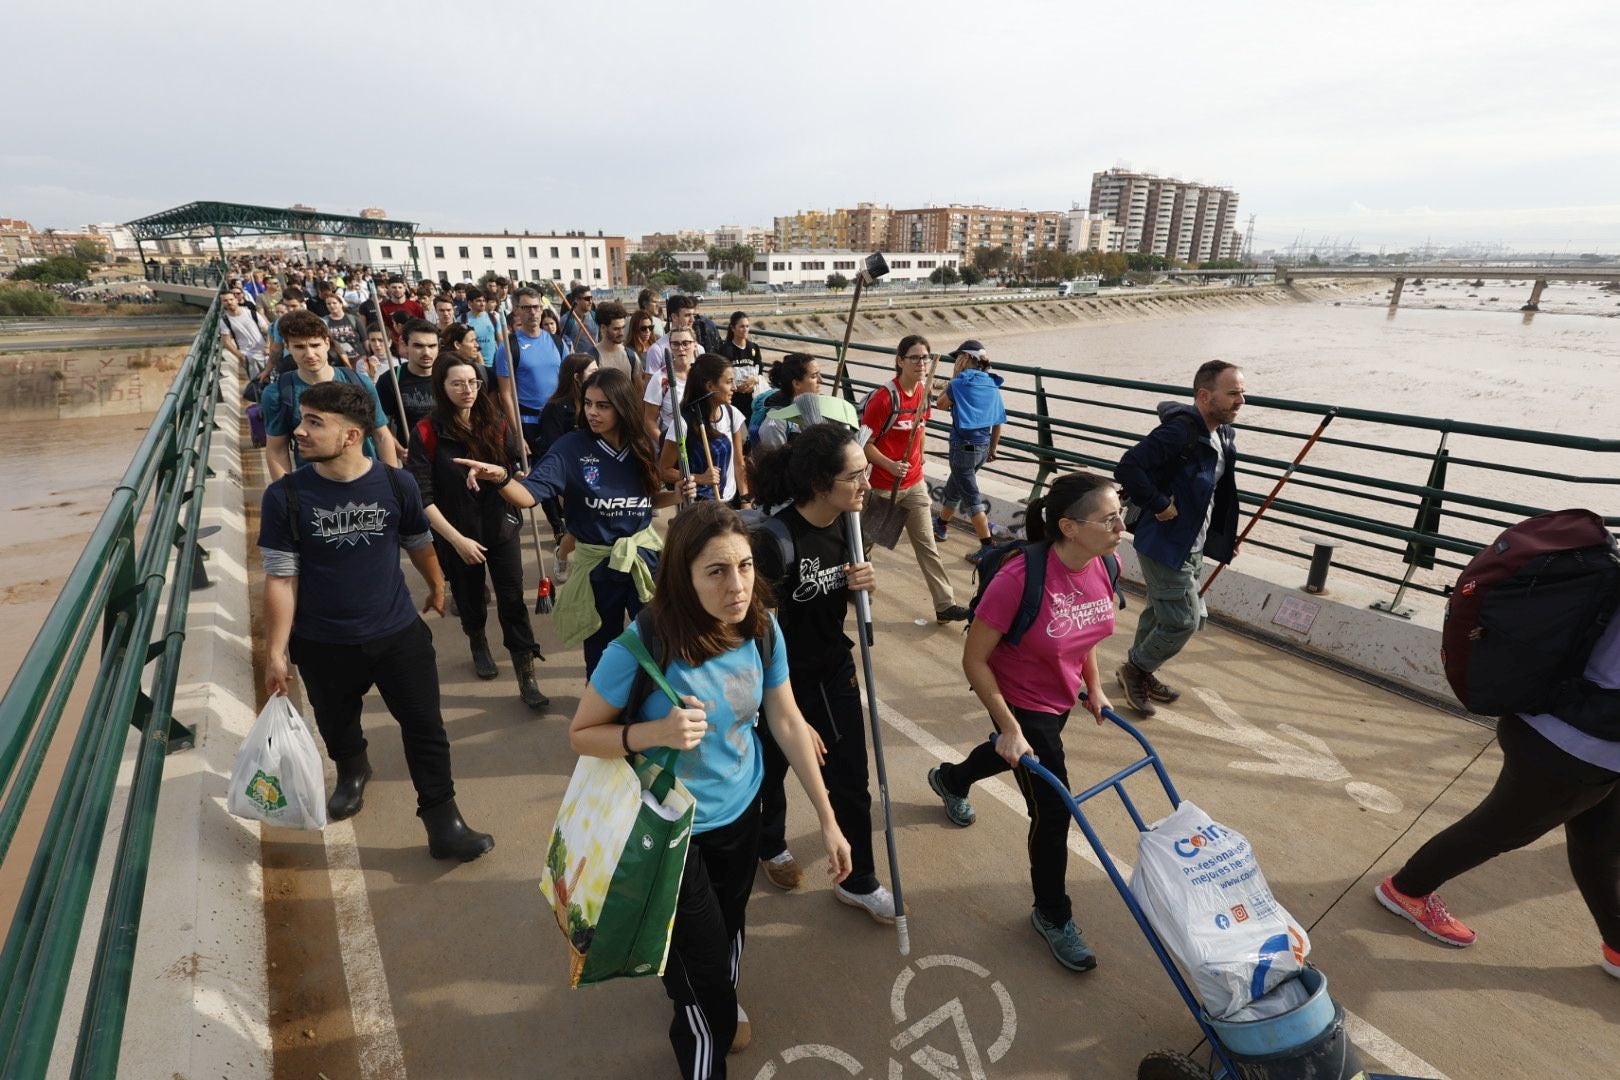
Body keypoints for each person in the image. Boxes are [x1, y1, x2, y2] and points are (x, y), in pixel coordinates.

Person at [568, 500, 851, 1075]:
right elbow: (582, 734)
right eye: (716, 572)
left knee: (727, 926)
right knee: (704, 996)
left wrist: (827, 817)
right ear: (684, 575)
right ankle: (708, 1026)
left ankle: (714, 987)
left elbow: (788, 719)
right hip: (674, 833)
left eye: (745, 567)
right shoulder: (642, 645)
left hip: (743, 812)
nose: (737, 586)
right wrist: (655, 732)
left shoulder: (762, 627)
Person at [258, 380, 493, 861]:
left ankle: (442, 818)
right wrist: (276, 651)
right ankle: (352, 769)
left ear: (350, 436)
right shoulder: (285, 497)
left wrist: (437, 584)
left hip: (397, 635)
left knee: (425, 727)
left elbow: (417, 541)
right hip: (322, 642)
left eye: (313, 423)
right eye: (302, 419)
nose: (299, 432)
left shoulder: (395, 482)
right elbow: (281, 579)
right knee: (336, 720)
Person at [926, 471, 1122, 971]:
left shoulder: (1105, 564)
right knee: (1053, 809)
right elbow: (974, 660)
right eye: (1110, 518)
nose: (1122, 526)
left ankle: (950, 778)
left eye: (1122, 514)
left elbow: (1085, 633)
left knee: (1018, 758)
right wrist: (1010, 724)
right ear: (1070, 527)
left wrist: (1093, 687)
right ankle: (1052, 915)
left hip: (1058, 699)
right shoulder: (1019, 579)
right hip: (1022, 702)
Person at [1375, 609, 1620, 976]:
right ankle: (1407, 889)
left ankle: (1617, 946)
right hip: (1573, 747)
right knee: (1495, 830)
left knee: (1601, 846)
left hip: (1560, 721)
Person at [748, 423, 900, 922]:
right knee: (771, 772)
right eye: (856, 475)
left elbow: (845, 598)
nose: (867, 483)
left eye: (867, 472)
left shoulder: (853, 522)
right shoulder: (775, 542)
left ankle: (858, 880)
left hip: (832, 669)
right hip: (776, 681)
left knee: (852, 777)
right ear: (819, 484)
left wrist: (865, 585)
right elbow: (752, 628)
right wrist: (786, 706)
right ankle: (769, 844)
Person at [455, 369, 696, 676]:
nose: (593, 412)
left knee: (658, 640)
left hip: (644, 560)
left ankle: (650, 703)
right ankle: (599, 712)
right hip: (597, 568)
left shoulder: (641, 445)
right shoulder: (571, 448)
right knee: (601, 648)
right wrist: (501, 477)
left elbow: (646, 500)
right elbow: (527, 496)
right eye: (589, 403)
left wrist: (675, 496)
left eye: (603, 405)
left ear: (623, 406)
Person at [408, 353, 547, 708]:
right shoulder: (426, 431)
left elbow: (513, 465)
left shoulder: (496, 421)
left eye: (472, 382)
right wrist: (456, 540)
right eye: (457, 383)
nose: (467, 390)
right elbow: (421, 496)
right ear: (442, 386)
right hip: (456, 531)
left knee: (513, 600)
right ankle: (477, 641)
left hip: (502, 524)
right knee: (470, 599)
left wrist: (498, 472)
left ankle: (525, 670)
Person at [1112, 360, 1244, 716]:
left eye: (1242, 392)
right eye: (1232, 393)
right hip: (1165, 542)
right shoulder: (1179, 432)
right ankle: (1135, 669)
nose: (1240, 401)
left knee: (1158, 611)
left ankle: (1140, 670)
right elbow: (1127, 467)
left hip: (1193, 543)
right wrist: (1158, 503)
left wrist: (1225, 532)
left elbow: (1218, 492)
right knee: (1184, 619)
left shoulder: (1224, 434)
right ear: (1204, 395)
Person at [860, 335, 968, 623]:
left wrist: (920, 458)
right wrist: (890, 465)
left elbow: (921, 429)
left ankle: (945, 604)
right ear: (899, 361)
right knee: (864, 546)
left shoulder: (923, 392)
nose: (921, 363)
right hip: (884, 487)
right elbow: (865, 444)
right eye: (914, 358)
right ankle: (857, 595)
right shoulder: (884, 398)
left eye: (925, 357)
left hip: (915, 484)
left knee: (927, 546)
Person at [260, 310, 398, 483]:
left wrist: (394, 483)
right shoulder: (277, 394)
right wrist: (286, 496)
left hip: (368, 481)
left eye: (315, 345)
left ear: (327, 343)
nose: (310, 354)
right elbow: (277, 450)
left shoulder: (359, 382)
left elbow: (381, 435)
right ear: (287, 347)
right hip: (316, 489)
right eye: (300, 347)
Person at [933, 340, 1008, 559]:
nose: (955, 362)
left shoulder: (960, 383)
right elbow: (998, 421)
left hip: (962, 450)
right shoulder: (992, 384)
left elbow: (941, 404)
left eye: (957, 358)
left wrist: (954, 376)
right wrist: (993, 448)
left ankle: (988, 546)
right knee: (955, 487)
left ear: (965, 359)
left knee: (972, 498)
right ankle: (940, 525)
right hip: (983, 449)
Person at [661, 354, 750, 505]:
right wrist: (699, 478)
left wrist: (745, 500)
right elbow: (664, 470)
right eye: (729, 382)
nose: (734, 387)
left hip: (728, 503)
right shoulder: (683, 423)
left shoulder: (732, 413)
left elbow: (738, 462)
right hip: (698, 506)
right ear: (710, 386)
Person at [494, 287, 567, 462]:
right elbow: (505, 395)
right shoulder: (508, 347)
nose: (532, 312)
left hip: (557, 420)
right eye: (526, 308)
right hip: (528, 424)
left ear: (542, 309)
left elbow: (569, 382)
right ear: (517, 310)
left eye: (536, 307)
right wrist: (518, 435)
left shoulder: (558, 342)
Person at [375, 319, 440, 453]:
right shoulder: (390, 379)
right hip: (412, 455)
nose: (427, 352)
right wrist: (400, 451)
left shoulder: (448, 375)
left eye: (432, 346)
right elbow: (380, 426)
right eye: (418, 346)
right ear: (404, 345)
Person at [747, 352, 822, 446]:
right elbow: (774, 459)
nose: (820, 380)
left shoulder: (812, 407)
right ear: (796, 384)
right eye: (814, 376)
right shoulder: (776, 422)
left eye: (819, 374)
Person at [716, 311, 762, 422]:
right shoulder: (725, 350)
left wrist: (755, 379)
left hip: (752, 399)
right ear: (733, 328)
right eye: (741, 326)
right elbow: (720, 376)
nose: (745, 329)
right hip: (734, 399)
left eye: (747, 326)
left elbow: (760, 371)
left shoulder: (754, 348)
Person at [642, 294, 695, 382]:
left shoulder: (698, 348)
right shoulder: (656, 350)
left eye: (693, 315)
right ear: (674, 317)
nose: (692, 319)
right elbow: (651, 386)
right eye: (687, 315)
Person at [219, 287, 269, 379]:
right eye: (225, 300)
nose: (229, 302)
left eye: (231, 299)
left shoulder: (252, 314)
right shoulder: (225, 321)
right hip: (248, 357)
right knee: (257, 383)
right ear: (222, 303)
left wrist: (268, 346)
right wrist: (240, 355)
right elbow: (226, 341)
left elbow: (267, 330)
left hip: (265, 353)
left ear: (236, 300)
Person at [593, 300, 638, 382]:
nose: (621, 333)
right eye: (616, 329)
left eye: (623, 327)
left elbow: (639, 390)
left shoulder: (631, 356)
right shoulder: (593, 358)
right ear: (603, 328)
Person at [379, 278, 425, 354]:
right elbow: (384, 328)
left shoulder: (416, 306)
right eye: (394, 287)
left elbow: (422, 325)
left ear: (404, 289)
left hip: (414, 344)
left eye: (400, 287)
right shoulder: (383, 308)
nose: (397, 290)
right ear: (389, 289)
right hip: (394, 347)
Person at [462, 285, 499, 369]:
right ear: (470, 303)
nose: (482, 304)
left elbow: (500, 341)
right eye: (478, 301)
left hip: (494, 364)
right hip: (473, 365)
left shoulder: (493, 318)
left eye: (484, 301)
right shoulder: (462, 319)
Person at [559, 284, 599, 357]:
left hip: (595, 359)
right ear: (576, 300)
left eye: (591, 298)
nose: (590, 301)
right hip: (577, 362)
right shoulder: (566, 320)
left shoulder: (595, 316)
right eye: (587, 298)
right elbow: (562, 343)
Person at [627, 309, 658, 391]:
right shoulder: (629, 351)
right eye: (643, 328)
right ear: (635, 329)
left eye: (650, 327)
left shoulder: (657, 344)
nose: (648, 331)